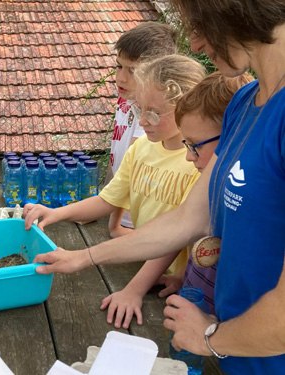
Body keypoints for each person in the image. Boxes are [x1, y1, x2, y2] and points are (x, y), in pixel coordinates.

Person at [29, 1, 285, 373]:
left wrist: (210, 337)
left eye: (199, 26)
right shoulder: (244, 104)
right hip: (239, 355)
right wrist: (83, 258)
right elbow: (186, 220)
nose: (196, 44)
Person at [24, 54, 204, 328]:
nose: (143, 121)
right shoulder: (142, 148)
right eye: (139, 109)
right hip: (138, 259)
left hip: (172, 281)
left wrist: (134, 290)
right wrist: (56, 212)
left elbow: (175, 237)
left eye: (153, 113)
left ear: (187, 107)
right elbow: (108, 198)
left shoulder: (198, 164)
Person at [174, 71, 254, 314]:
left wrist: (210, 333)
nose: (189, 156)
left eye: (195, 145)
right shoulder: (211, 187)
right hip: (195, 308)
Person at [107, 21, 177, 234]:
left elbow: (134, 168)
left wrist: (114, 224)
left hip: (137, 224)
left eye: (132, 70)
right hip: (116, 213)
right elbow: (117, 160)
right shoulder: (126, 102)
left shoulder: (150, 118)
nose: (121, 78)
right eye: (119, 66)